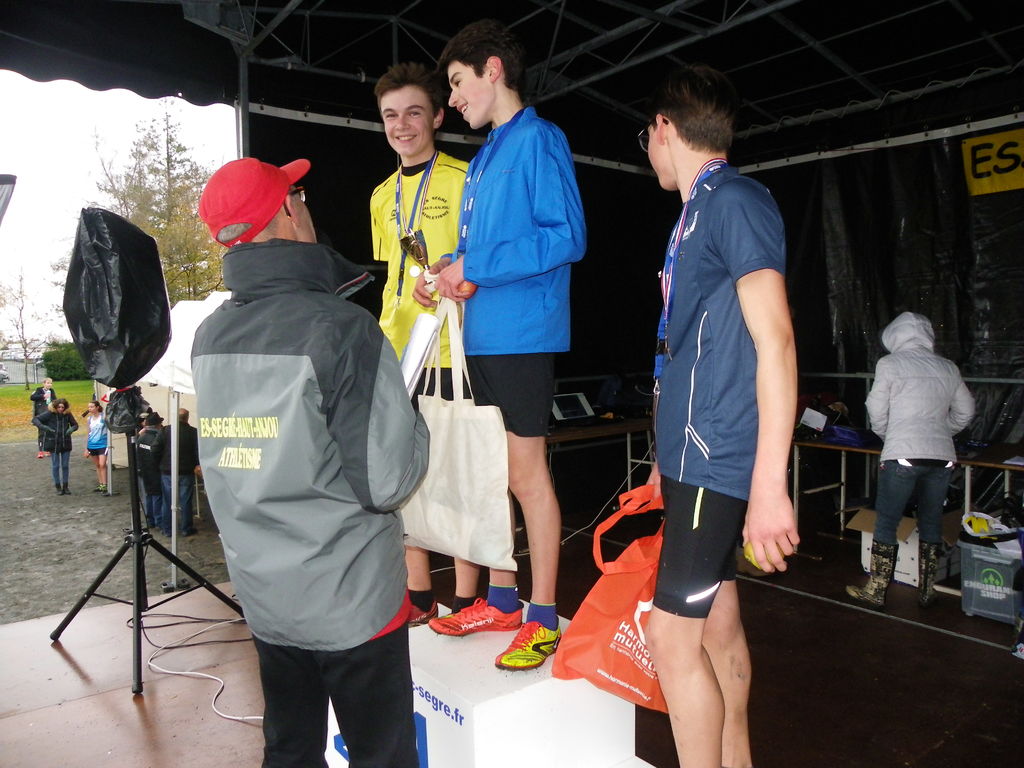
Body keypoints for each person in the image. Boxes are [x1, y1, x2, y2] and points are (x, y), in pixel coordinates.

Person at [194, 156, 427, 767]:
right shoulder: (342, 327)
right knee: (382, 755)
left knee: (290, 750)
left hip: (266, 596)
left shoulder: (210, 336)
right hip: (351, 598)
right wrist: (412, 415)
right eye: (296, 193)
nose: (304, 202)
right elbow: (389, 480)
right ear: (286, 212)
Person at [638, 64, 799, 768]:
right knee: (716, 626)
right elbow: (688, 348)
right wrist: (662, 458)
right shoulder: (696, 212)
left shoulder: (734, 199)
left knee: (670, 638)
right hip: (689, 456)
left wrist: (768, 486)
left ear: (664, 128)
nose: (648, 149)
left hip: (717, 455)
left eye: (646, 136)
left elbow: (777, 340)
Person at [414, 19, 586, 671]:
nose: (453, 100)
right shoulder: (487, 155)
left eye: (458, 83)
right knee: (492, 475)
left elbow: (566, 237)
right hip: (481, 335)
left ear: (493, 69)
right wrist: (447, 272)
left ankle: (542, 616)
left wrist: (477, 265)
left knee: (526, 476)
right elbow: (478, 249)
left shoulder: (540, 139)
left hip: (522, 336)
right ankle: (503, 600)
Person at [371, 60, 481, 625]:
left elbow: (480, 261)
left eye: (414, 112)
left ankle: (465, 596)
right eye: (391, 115)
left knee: (457, 473)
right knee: (404, 473)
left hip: (452, 348)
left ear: (438, 116)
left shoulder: (466, 179)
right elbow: (392, 273)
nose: (402, 125)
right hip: (396, 351)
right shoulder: (380, 195)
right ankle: (418, 594)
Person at [847, 311, 975, 609]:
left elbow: (875, 407)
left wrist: (890, 434)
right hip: (942, 457)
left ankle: (877, 590)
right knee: (931, 522)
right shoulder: (948, 367)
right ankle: (927, 591)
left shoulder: (890, 363)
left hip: (902, 455)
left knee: (887, 521)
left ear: (895, 336)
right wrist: (942, 431)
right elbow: (967, 411)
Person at [152, 408, 201, 537]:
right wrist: (195, 464)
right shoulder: (193, 432)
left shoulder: (165, 431)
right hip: (186, 471)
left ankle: (167, 529)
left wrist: (160, 463)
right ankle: (186, 528)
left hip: (167, 471)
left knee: (168, 501)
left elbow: (155, 449)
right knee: (186, 501)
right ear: (187, 418)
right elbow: (198, 451)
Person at [32, 398, 78, 494]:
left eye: (62, 407)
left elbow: (75, 425)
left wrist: (72, 429)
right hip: (53, 443)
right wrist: (43, 427)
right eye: (59, 407)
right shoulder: (49, 414)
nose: (61, 409)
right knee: (56, 465)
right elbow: (35, 419)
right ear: (55, 407)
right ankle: (58, 487)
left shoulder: (67, 414)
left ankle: (65, 486)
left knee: (65, 465)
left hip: (65, 442)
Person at [136, 412, 164, 529]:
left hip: (144, 470)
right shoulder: (157, 438)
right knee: (157, 495)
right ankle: (158, 521)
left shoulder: (141, 437)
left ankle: (150, 520)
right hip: (155, 470)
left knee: (148, 495)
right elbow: (159, 455)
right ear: (157, 425)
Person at [81, 400, 109, 492]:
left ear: (97, 407)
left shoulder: (103, 417)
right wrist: (86, 448)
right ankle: (101, 484)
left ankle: (105, 484)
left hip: (102, 444)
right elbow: (88, 433)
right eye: (89, 407)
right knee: (97, 465)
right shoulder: (89, 419)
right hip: (92, 445)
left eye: (92, 407)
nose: (90, 408)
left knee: (102, 464)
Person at [30, 377, 57, 459]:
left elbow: (55, 400)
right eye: (48, 383)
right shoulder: (39, 390)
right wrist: (43, 396)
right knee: (41, 433)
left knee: (49, 432)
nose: (49, 385)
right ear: (44, 383)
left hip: (49, 414)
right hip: (40, 414)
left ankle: (47, 450)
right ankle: (40, 451)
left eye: (51, 383)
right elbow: (32, 397)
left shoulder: (51, 391)